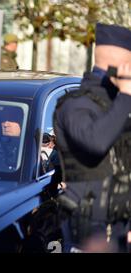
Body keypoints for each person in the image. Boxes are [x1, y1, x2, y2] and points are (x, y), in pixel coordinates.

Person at [54, 23, 131, 252]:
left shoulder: (119, 103)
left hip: (120, 229)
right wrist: (126, 95)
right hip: (89, 232)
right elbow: (96, 142)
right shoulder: (76, 104)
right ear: (124, 65)